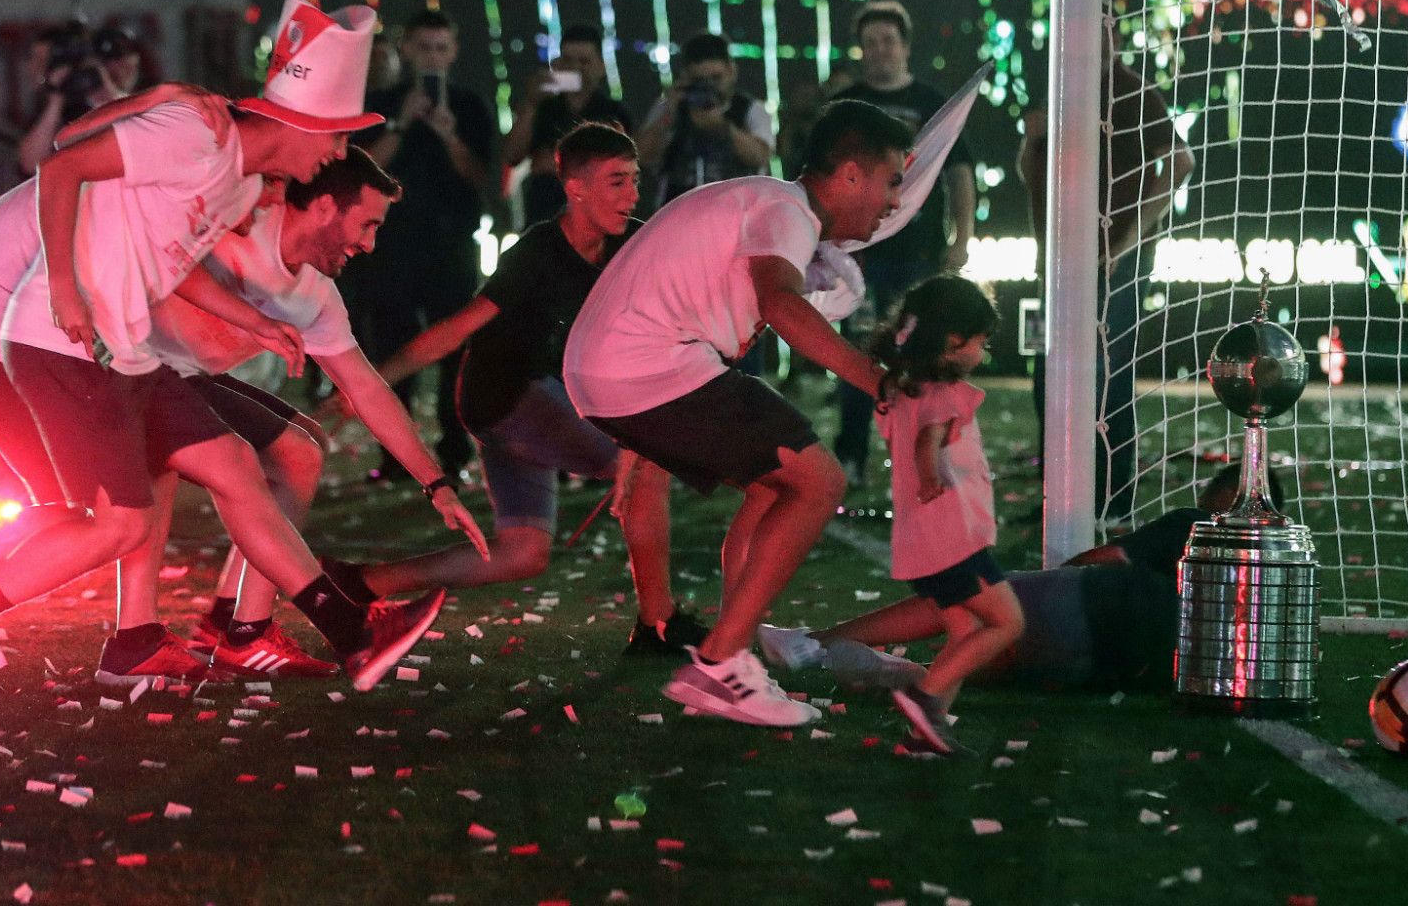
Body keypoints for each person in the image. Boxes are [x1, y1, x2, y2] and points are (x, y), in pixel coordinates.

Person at [0, 0, 457, 698]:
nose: (337, 154)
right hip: (63, 344)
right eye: (336, 137)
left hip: (127, 353)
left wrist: (255, 321)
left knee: (238, 465)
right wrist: (63, 283)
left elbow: (171, 263)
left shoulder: (236, 180)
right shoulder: (194, 132)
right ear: (300, 122)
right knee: (113, 525)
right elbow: (62, 165)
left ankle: (351, 633)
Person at [563, 99, 910, 727]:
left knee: (773, 483)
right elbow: (779, 302)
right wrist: (877, 381)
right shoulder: (788, 210)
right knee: (820, 480)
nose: (894, 204)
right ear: (851, 174)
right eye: (891, 182)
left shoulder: (770, 205)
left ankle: (740, 636)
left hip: (618, 369)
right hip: (647, 365)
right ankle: (721, 664)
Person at [323, 123, 702, 655]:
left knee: (523, 554)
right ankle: (658, 624)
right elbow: (457, 327)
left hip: (530, 405)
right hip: (507, 400)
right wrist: (365, 384)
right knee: (644, 466)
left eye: (635, 181)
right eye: (617, 182)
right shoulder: (539, 252)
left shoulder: (632, 244)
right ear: (576, 189)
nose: (632, 196)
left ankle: (360, 583)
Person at [141, 146, 489, 679]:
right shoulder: (242, 217)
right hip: (129, 367)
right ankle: (324, 627)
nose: (370, 245)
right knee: (222, 471)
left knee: (301, 450)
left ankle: (239, 629)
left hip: (188, 375)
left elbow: (367, 390)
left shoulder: (316, 294)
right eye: (367, 225)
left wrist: (436, 484)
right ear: (325, 206)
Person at [759, 465, 1282, 711]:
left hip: (1095, 605)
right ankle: (906, 677)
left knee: (968, 598)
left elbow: (1105, 558)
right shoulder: (1272, 592)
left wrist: (1065, 578)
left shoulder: (1201, 525)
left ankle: (815, 643)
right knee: (989, 671)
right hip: (1104, 670)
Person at [1021, 24, 1194, 522]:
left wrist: (1130, 237)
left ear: (1112, 38)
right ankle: (1057, 495)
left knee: (1109, 374)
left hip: (1115, 260)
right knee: (1046, 371)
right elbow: (1030, 167)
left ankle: (1114, 500)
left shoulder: (1135, 91)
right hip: (1054, 262)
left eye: (1102, 33)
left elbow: (1181, 161)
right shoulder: (1054, 88)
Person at [861, 276, 1023, 754]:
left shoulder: (899, 389)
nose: (982, 351)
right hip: (953, 538)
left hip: (920, 541)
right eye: (981, 341)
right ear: (954, 343)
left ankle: (924, 735)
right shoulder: (945, 393)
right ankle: (926, 698)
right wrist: (930, 478)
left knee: (965, 630)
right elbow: (927, 439)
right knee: (1007, 623)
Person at [829, 1, 978, 485]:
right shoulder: (845, 106)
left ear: (906, 47)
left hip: (921, 253)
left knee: (923, 355)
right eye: (870, 43)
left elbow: (959, 173)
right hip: (859, 255)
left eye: (888, 41)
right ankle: (851, 455)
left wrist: (962, 237)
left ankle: (924, 454)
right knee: (858, 355)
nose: (879, 51)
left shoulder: (931, 101)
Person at [346, 9, 498, 481]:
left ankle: (453, 452)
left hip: (450, 241)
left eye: (440, 48)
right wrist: (401, 122)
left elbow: (482, 178)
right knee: (391, 349)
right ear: (407, 50)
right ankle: (396, 455)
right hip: (391, 242)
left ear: (452, 52)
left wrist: (450, 136)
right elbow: (360, 167)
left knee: (456, 351)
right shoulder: (381, 103)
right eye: (423, 47)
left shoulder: (471, 107)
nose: (432, 57)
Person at [503, 22, 633, 225]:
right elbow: (512, 156)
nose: (576, 69)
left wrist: (556, 165)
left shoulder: (613, 114)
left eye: (584, 62)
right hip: (545, 218)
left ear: (601, 66)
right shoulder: (543, 107)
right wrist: (531, 103)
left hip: (593, 220)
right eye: (568, 61)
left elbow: (622, 170)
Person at [635, 32, 774, 208]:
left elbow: (760, 157)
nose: (709, 87)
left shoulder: (752, 109)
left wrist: (722, 127)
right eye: (699, 80)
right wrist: (669, 115)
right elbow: (640, 157)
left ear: (731, 71)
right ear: (685, 76)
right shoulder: (670, 107)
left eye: (716, 78)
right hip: (678, 213)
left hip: (736, 213)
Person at [16, 20, 144, 175]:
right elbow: (31, 164)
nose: (35, 69)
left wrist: (107, 91)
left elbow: (142, 142)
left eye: (43, 61)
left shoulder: (124, 102)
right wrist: (56, 99)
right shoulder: (51, 108)